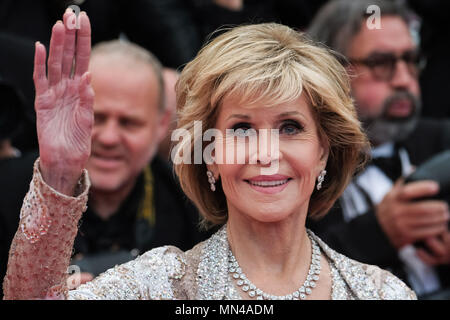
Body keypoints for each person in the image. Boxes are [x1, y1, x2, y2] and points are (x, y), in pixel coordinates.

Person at [3, 10, 416, 300]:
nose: (266, 153)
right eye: (241, 129)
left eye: (290, 127)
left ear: (324, 150)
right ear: (209, 154)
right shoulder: (159, 285)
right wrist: (59, 173)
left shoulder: (380, 292)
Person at [0, 9, 208, 295]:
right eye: (95, 118)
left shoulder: (193, 204)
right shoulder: (6, 191)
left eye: (129, 122)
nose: (109, 138)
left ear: (161, 125)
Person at [307, 0, 450, 299]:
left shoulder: (441, 139)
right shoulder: (296, 165)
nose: (403, 80)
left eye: (411, 60)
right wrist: (378, 232)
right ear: (331, 73)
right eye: (381, 63)